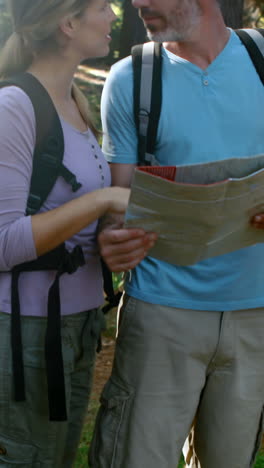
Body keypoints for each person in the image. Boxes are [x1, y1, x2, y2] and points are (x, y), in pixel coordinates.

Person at [89, 1, 264, 467]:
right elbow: (117, 200)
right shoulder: (131, 79)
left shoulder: (261, 59)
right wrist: (111, 236)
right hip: (161, 312)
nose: (139, 3)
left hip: (255, 313)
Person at [0, 1, 139, 467]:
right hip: (28, 330)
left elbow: (66, 219)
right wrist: (101, 202)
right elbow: (3, 242)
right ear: (67, 23)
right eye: (103, 7)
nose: (114, 17)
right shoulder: (14, 106)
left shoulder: (75, 102)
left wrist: (110, 236)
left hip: (78, 326)